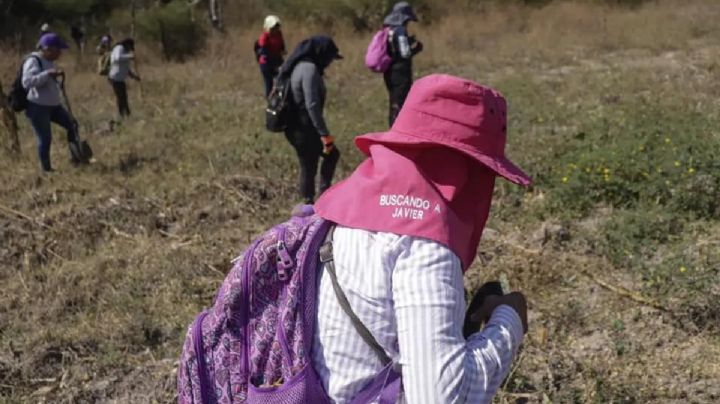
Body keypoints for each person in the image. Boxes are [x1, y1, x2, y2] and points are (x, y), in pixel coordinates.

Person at [311, 74, 531, 402]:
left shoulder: (346, 212)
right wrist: (509, 320)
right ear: (469, 170)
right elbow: (440, 397)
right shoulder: (423, 247)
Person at [281, 36, 342, 204]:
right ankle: (312, 203)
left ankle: (316, 200)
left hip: (300, 126)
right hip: (303, 127)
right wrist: (324, 134)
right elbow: (312, 105)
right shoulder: (309, 69)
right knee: (310, 164)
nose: (330, 63)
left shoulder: (302, 66)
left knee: (312, 162)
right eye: (330, 58)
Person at [22, 33, 78, 172]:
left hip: (54, 106)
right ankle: (46, 170)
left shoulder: (49, 60)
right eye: (57, 49)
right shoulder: (33, 61)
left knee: (72, 125)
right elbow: (27, 82)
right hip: (38, 107)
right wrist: (47, 74)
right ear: (47, 48)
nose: (60, 53)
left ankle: (77, 156)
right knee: (45, 139)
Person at [383, 1, 423, 127]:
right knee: (401, 102)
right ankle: (399, 130)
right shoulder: (400, 30)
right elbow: (405, 53)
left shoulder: (388, 29)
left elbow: (393, 48)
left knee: (393, 101)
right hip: (400, 72)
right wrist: (417, 48)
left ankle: (392, 128)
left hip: (389, 71)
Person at [108, 38, 140, 118]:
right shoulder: (119, 48)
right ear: (127, 45)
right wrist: (130, 56)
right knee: (121, 97)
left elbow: (126, 68)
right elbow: (117, 58)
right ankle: (122, 115)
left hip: (120, 79)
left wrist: (134, 76)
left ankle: (127, 114)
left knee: (124, 96)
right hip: (115, 77)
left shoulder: (125, 52)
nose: (130, 49)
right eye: (130, 47)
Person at [256, 15, 286, 97]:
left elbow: (281, 44)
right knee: (268, 82)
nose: (276, 28)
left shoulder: (279, 34)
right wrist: (274, 63)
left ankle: (280, 97)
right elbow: (263, 51)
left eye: (277, 26)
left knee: (283, 77)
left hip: (277, 59)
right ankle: (269, 100)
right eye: (274, 26)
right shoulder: (264, 36)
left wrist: (282, 50)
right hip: (266, 62)